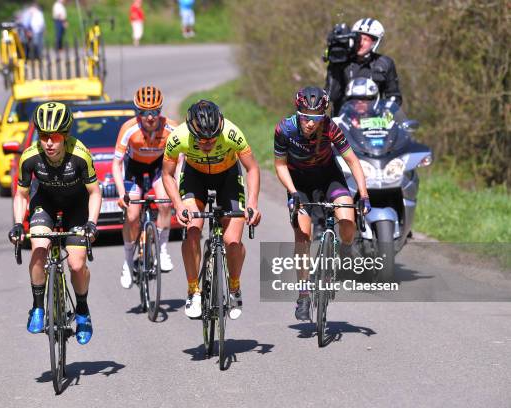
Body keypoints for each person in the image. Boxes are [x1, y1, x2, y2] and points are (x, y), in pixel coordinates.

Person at [273, 87, 370, 321]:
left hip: (328, 177)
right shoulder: (284, 129)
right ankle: (304, 294)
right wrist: (293, 192)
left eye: (315, 118)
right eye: (305, 117)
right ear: (298, 112)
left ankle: (343, 250)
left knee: (348, 221)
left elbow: (352, 161)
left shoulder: (330, 128)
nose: (309, 123)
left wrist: (364, 195)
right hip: (299, 184)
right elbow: (280, 165)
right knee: (302, 235)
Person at [8, 102, 102, 345]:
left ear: (66, 135)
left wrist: (91, 222)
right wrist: (19, 223)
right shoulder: (30, 158)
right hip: (45, 204)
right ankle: (38, 307)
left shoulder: (80, 155)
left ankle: (82, 311)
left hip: (77, 206)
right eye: (43, 136)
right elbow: (21, 194)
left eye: (55, 136)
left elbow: (94, 192)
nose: (49, 142)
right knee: (39, 249)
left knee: (76, 263)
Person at [162, 100, 262, 320]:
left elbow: (252, 168)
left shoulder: (232, 133)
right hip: (194, 177)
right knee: (192, 230)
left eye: (212, 139)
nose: (207, 144)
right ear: (191, 131)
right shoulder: (177, 137)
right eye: (201, 140)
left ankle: (234, 287)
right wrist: (178, 206)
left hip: (228, 177)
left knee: (232, 240)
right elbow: (167, 174)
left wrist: (252, 203)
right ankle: (192, 291)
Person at [113, 86, 178, 288]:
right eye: (143, 112)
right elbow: (117, 163)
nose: (149, 117)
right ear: (137, 112)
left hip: (159, 168)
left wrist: (179, 185)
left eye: (154, 112)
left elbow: (182, 158)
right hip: (134, 170)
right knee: (132, 216)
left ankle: (162, 249)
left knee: (166, 203)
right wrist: (122, 194)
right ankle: (127, 262)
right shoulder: (129, 129)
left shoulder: (172, 128)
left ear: (160, 110)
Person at [325, 18, 402, 116]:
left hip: (374, 123)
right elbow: (332, 95)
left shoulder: (385, 63)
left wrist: (386, 119)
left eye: (366, 39)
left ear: (375, 42)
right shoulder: (342, 63)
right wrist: (334, 64)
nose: (360, 43)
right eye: (359, 38)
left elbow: (394, 96)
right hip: (344, 121)